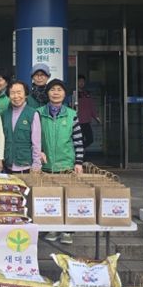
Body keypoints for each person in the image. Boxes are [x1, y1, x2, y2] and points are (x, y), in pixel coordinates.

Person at [38, 78, 84, 245]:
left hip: (66, 164)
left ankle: (67, 231)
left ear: (65, 94)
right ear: (47, 93)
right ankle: (51, 227)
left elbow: (78, 140)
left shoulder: (71, 115)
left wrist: (78, 162)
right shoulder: (39, 113)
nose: (56, 93)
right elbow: (34, 138)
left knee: (68, 197)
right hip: (46, 166)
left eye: (59, 90)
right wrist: (38, 151)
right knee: (49, 198)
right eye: (52, 89)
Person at [2, 80, 42, 174]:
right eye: (12, 93)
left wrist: (36, 164)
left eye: (19, 92)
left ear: (26, 94)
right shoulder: (4, 114)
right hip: (8, 164)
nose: (16, 96)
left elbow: (36, 142)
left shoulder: (32, 113)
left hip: (26, 165)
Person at [76, 74, 100, 149]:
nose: (81, 83)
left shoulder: (87, 93)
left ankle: (80, 151)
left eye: (83, 81)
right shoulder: (74, 93)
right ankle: (79, 153)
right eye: (80, 81)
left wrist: (96, 117)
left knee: (90, 139)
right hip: (78, 122)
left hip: (86, 121)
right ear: (76, 82)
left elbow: (91, 106)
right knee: (79, 140)